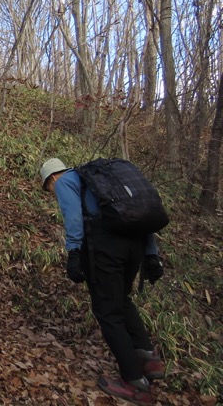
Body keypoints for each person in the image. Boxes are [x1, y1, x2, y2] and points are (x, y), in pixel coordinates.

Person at [40, 158, 165, 406]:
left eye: (49, 190)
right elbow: (138, 215)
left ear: (51, 179)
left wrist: (74, 252)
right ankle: (147, 358)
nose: (53, 194)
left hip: (106, 247)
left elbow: (73, 217)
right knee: (121, 300)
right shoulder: (105, 181)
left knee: (107, 311)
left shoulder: (65, 181)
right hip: (135, 244)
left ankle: (134, 383)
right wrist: (151, 254)